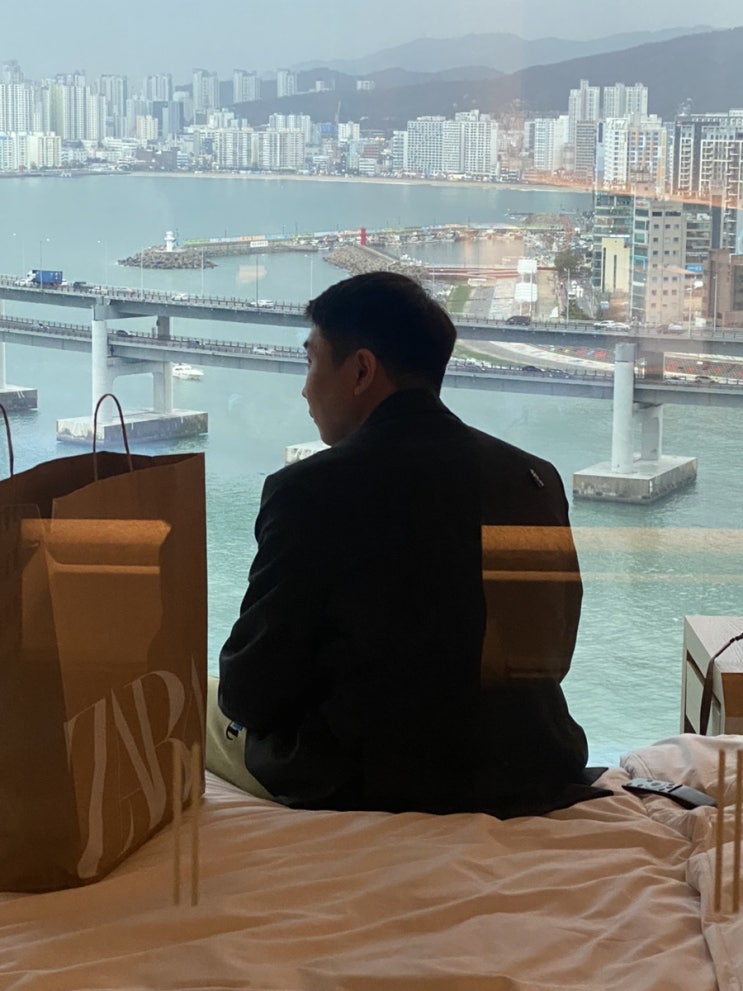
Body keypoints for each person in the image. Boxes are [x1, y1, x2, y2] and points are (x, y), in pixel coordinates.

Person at [215, 271, 606, 817]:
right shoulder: (533, 479)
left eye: (311, 361)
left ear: (361, 370)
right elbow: (550, 658)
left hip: (369, 781)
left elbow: (250, 690)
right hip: (531, 767)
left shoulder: (309, 491)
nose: (305, 389)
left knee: (199, 707)